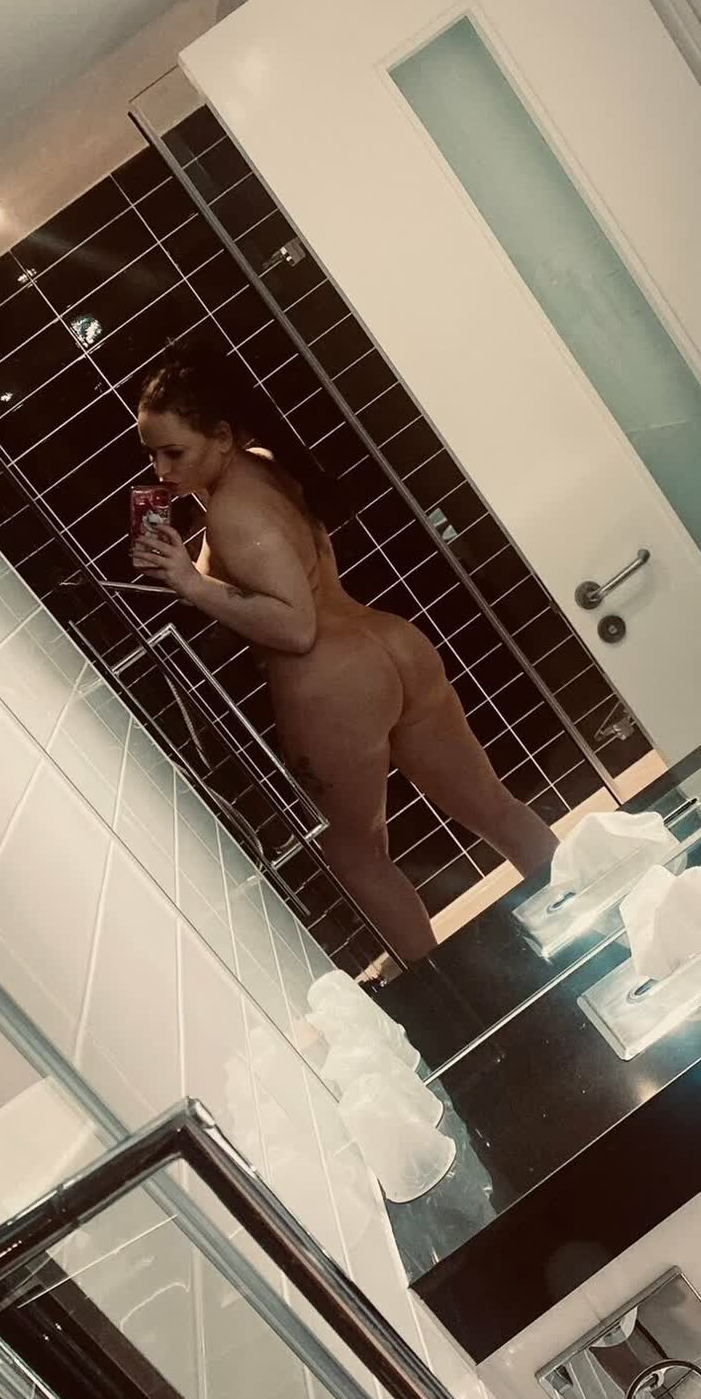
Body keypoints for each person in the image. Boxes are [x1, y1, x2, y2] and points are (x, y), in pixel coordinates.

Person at [131, 339, 558, 962]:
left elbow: (294, 628)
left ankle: (443, 994)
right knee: (493, 807)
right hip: (391, 643)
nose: (162, 469)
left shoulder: (230, 512)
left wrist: (193, 587)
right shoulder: (261, 465)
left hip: (331, 682)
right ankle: (599, 908)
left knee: (356, 854)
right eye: (152, 453)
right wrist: (186, 568)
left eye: (175, 452)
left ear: (220, 435)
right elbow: (278, 570)